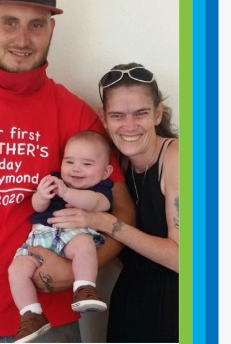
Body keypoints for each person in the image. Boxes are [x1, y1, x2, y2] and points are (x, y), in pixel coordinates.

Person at [0, 0, 135, 343]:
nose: (22, 38)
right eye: (9, 22)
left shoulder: (75, 113)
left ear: (51, 29)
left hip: (50, 319)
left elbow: (123, 213)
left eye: (36, 24)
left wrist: (80, 271)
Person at [48, 62, 180, 342]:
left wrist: (105, 222)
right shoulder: (113, 165)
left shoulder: (178, 157)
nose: (129, 126)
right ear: (104, 119)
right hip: (131, 298)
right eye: (118, 115)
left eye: (140, 113)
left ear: (158, 113)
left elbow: (186, 260)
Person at [9, 130, 113, 343]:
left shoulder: (101, 188)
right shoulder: (54, 179)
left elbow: (96, 203)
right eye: (70, 161)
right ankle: (31, 314)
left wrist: (66, 193)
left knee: (85, 245)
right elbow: (36, 207)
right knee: (16, 269)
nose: (76, 168)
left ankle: (84, 288)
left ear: (106, 171)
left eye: (87, 164)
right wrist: (41, 196)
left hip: (72, 236)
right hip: (39, 237)